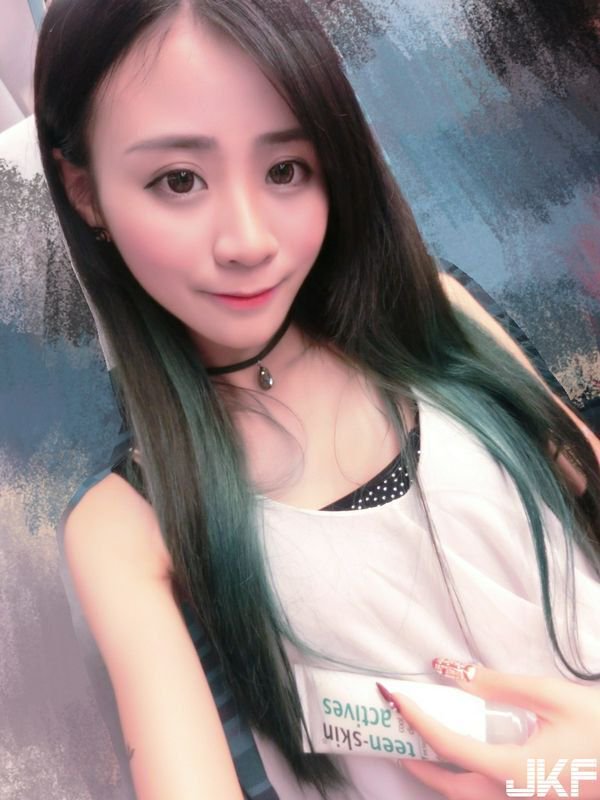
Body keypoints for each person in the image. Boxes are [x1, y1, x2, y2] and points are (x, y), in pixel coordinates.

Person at [34, 1, 600, 798]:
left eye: (285, 170)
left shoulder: (438, 319)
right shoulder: (127, 524)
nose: (249, 240)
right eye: (179, 180)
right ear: (85, 191)